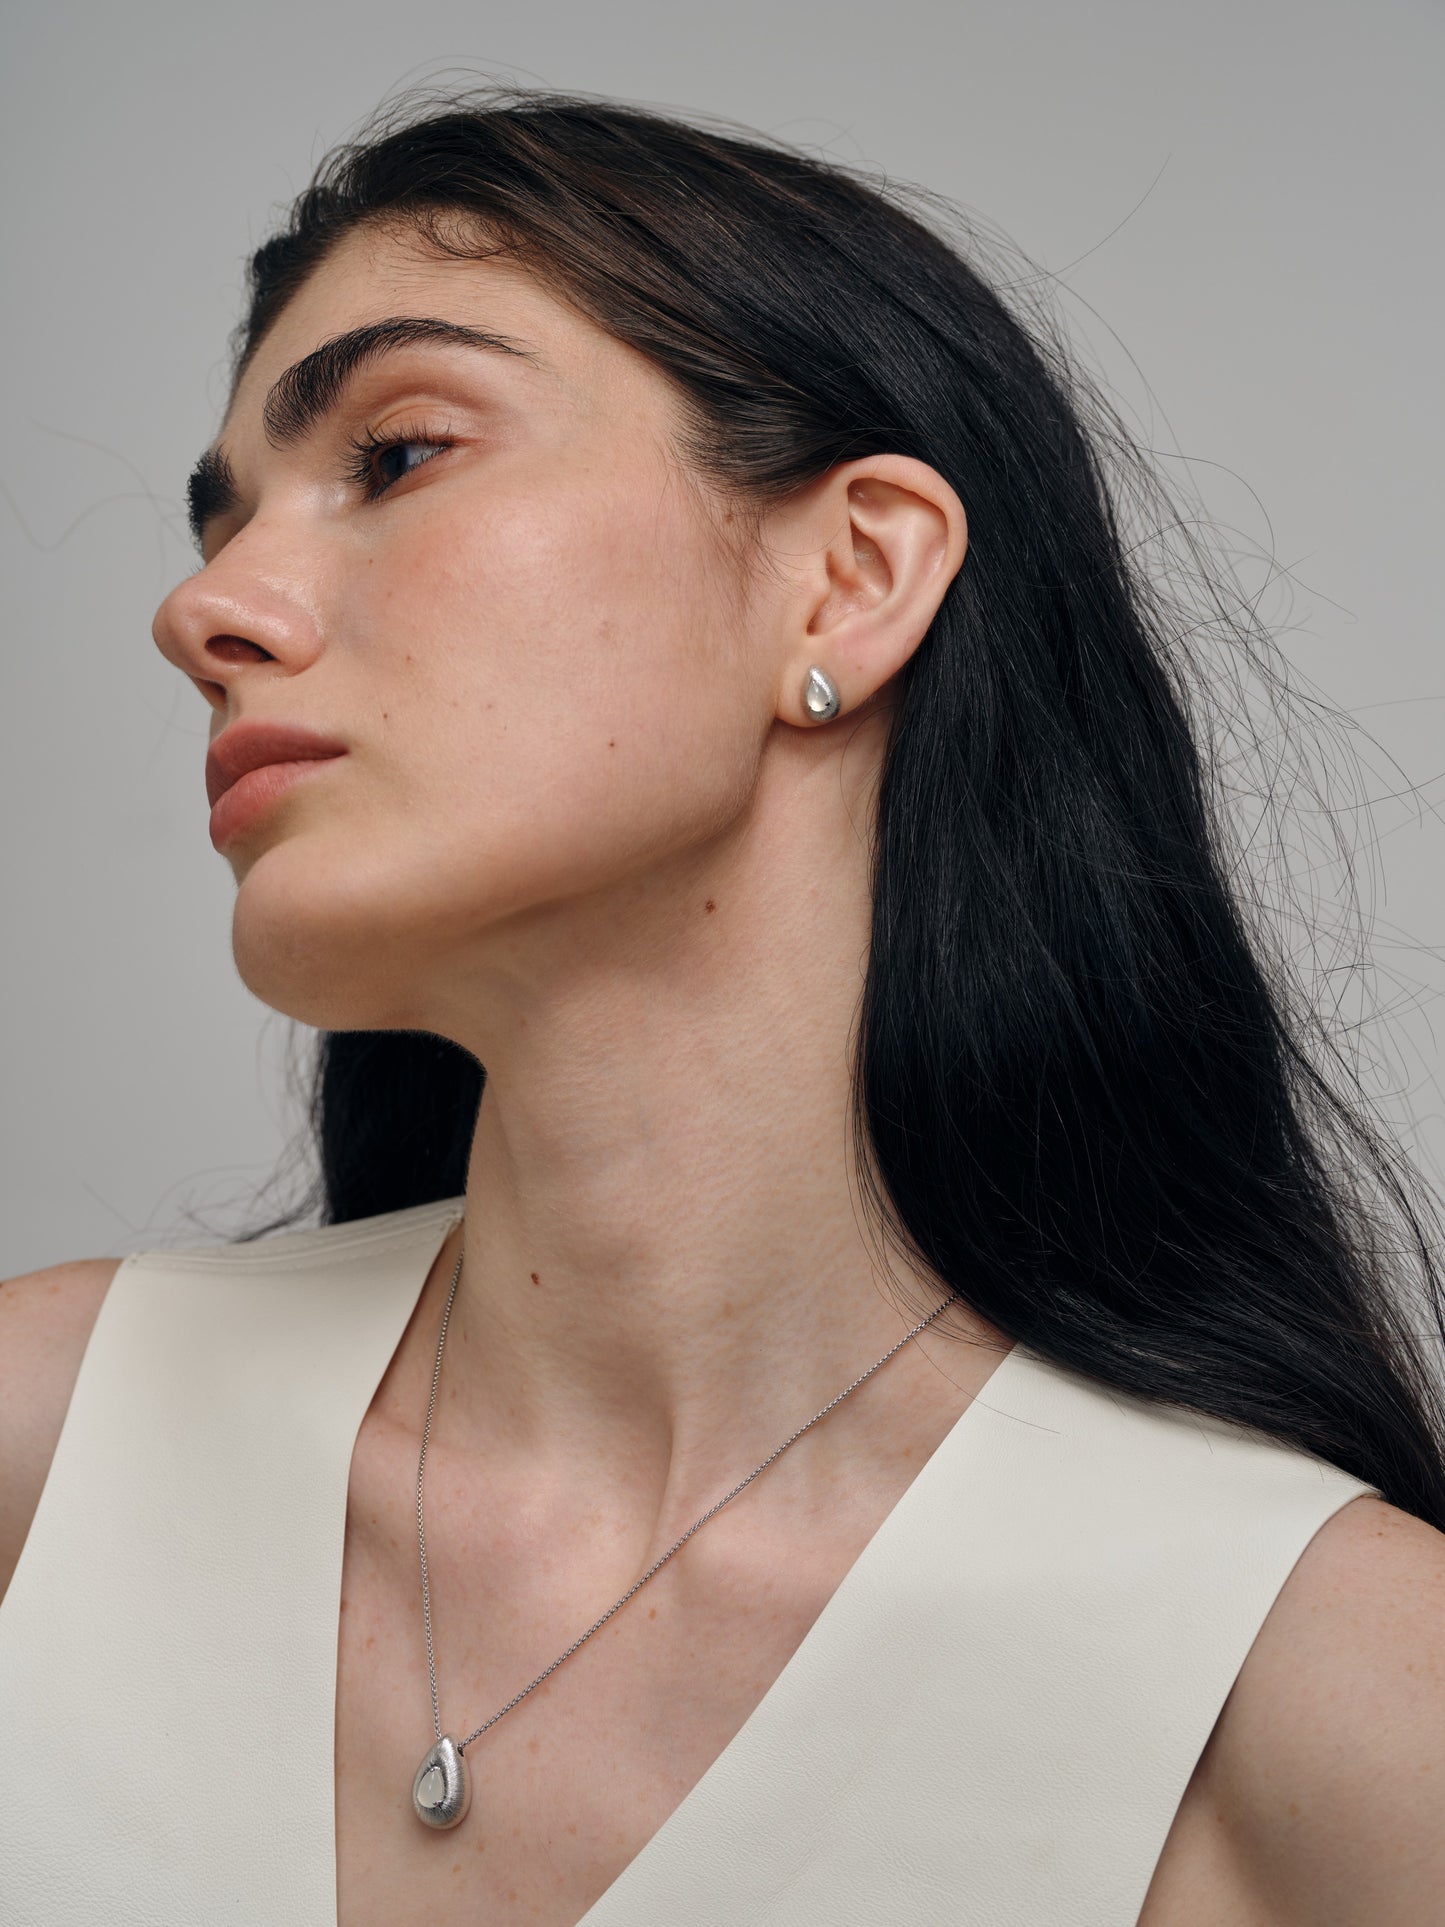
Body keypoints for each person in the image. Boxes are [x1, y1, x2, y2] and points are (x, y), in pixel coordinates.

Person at [2, 84, 1443, 1925]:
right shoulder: (44, 1455)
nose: (204, 608)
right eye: (224, 522)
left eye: (399, 451)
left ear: (846, 579)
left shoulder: (1320, 1702)